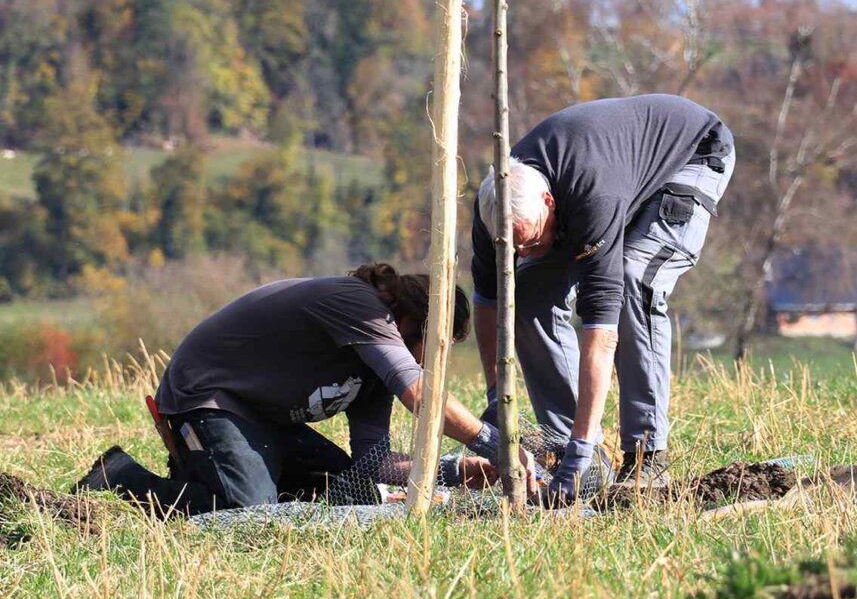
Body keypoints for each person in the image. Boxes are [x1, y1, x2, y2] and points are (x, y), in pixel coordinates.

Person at [75, 263, 536, 515]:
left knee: (349, 493)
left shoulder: (374, 367)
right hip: (207, 399)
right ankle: (122, 476)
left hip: (263, 419)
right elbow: (418, 395)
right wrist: (494, 443)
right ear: (414, 322)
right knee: (245, 510)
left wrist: (457, 472)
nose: (425, 362)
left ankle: (205, 474)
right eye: (430, 348)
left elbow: (373, 462)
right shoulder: (361, 306)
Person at [472, 94, 735, 502]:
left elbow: (601, 333)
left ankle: (645, 454)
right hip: (612, 176)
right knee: (528, 292)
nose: (522, 253)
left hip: (692, 153)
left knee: (634, 278)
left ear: (548, 203)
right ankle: (571, 446)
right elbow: (489, 304)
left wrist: (584, 442)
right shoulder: (495, 210)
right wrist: (493, 396)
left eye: (532, 240)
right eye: (514, 248)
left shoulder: (593, 198)